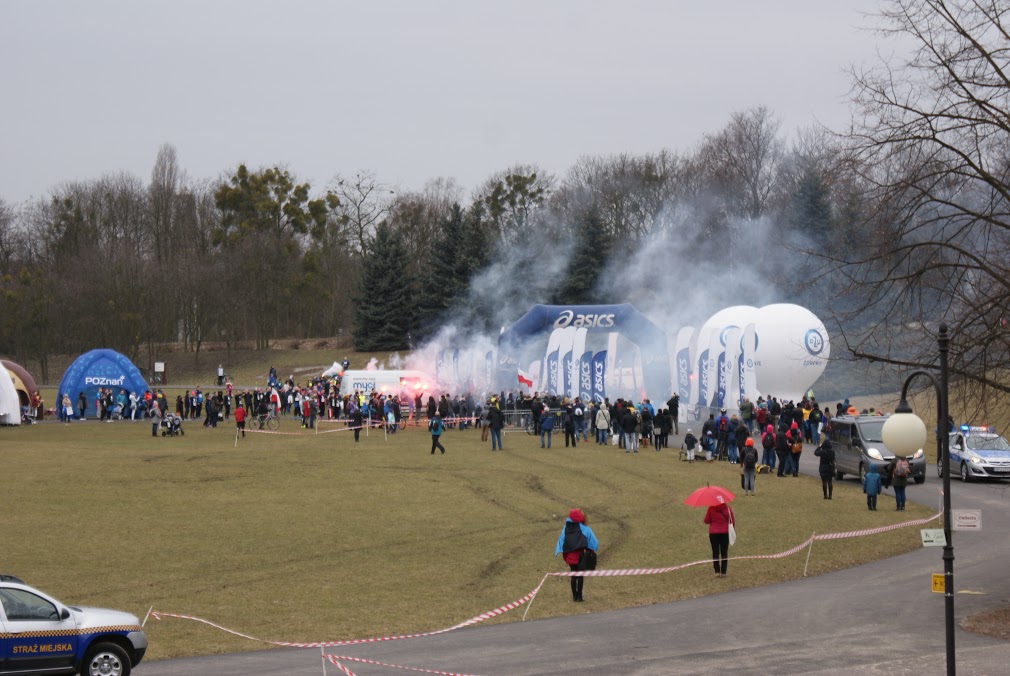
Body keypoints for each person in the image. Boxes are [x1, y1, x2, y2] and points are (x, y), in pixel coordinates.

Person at [554, 508, 599, 602]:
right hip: (581, 557)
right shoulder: (585, 529)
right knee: (580, 576)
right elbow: (592, 542)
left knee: (573, 575)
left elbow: (562, 541)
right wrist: (591, 551)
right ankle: (580, 597)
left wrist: (564, 555)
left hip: (571, 557)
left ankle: (574, 596)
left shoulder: (566, 529)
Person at [704, 500, 735, 577]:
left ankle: (717, 571)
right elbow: (732, 521)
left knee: (715, 552)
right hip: (725, 533)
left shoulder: (711, 509)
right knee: (724, 552)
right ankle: (723, 572)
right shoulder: (728, 509)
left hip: (713, 533)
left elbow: (706, 521)